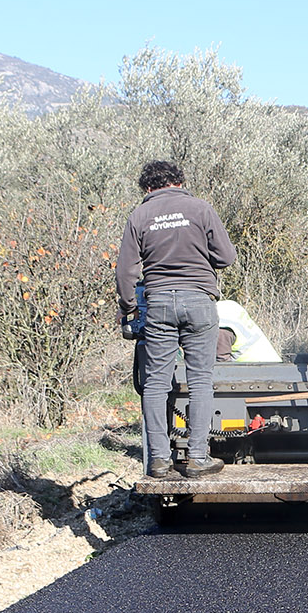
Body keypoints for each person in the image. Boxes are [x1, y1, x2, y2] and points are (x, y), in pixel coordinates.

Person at [115, 160, 238, 479]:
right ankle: (197, 457)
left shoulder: (139, 216)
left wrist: (129, 306)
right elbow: (227, 257)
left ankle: (158, 460)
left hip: (157, 303)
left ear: (148, 188)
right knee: (200, 378)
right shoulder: (200, 209)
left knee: (156, 381)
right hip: (199, 300)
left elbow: (126, 270)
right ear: (179, 181)